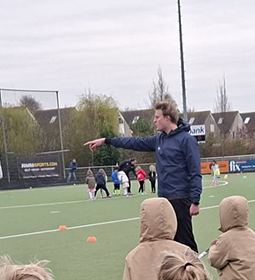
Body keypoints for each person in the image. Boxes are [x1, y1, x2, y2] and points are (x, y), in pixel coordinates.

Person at [85, 100, 202, 251]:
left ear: (168, 118)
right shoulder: (159, 140)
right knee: (168, 243)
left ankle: (195, 273)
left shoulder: (186, 140)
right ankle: (174, 274)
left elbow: (195, 172)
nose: (154, 120)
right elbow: (134, 142)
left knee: (186, 244)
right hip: (163, 200)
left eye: (157, 117)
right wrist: (106, 141)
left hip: (181, 199)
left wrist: (196, 200)